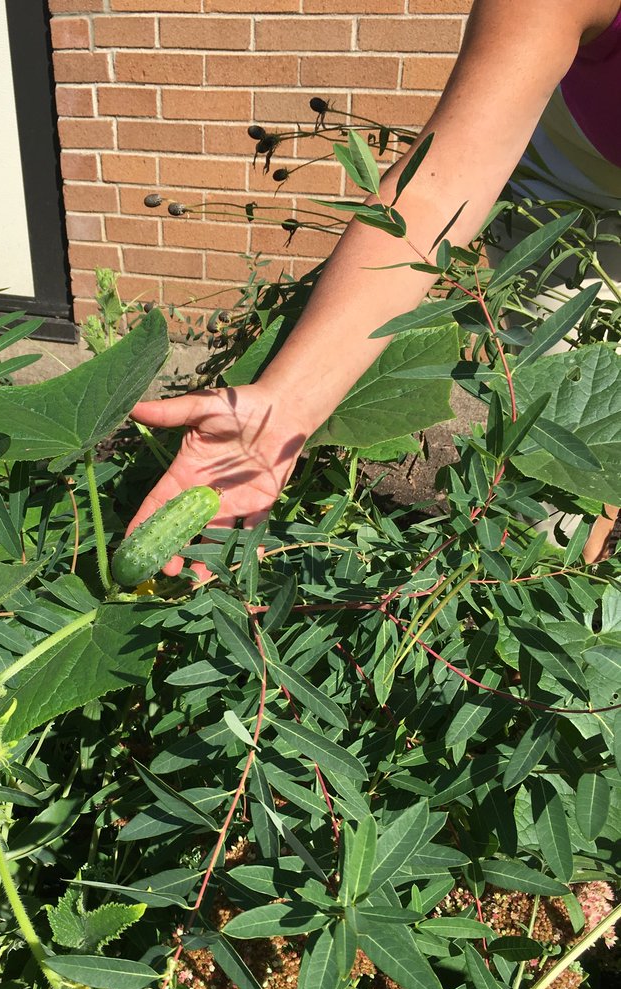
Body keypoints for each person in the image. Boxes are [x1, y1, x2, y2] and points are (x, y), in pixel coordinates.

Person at [126, 0, 621, 573]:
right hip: (572, 181)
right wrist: (285, 406)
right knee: (560, 440)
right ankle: (551, 582)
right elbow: (436, 192)